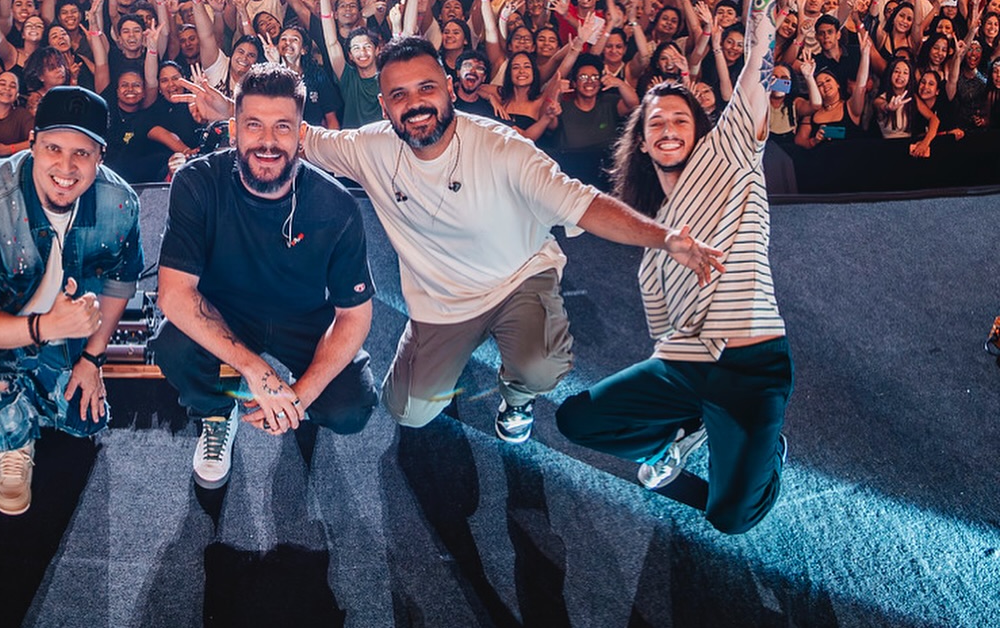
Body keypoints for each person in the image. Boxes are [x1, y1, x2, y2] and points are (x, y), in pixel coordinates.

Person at [179, 39, 722, 447]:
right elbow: (290, 131)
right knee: (405, 411)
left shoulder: (503, 148)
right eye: (398, 95)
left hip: (517, 281)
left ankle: (516, 398)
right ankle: (454, 356)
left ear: (448, 89)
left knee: (538, 364)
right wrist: (229, 110)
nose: (414, 104)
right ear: (385, 106)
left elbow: (586, 205)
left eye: (426, 89)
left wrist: (665, 237)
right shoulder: (370, 149)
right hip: (441, 303)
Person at [555, 0, 794, 535]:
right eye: (653, 119)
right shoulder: (649, 249)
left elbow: (758, 51)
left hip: (753, 366)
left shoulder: (735, 148)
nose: (665, 125)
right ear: (641, 139)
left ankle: (764, 450)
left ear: (699, 125)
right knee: (577, 417)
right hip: (686, 371)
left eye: (678, 116)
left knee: (731, 517)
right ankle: (684, 431)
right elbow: (667, 343)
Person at [0, 87, 142, 515]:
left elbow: (120, 282)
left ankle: (34, 386)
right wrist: (44, 329)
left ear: (101, 156)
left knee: (82, 421)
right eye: (53, 148)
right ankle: (11, 441)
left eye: (82, 153)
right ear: (33, 143)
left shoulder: (120, 203)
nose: (66, 167)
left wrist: (92, 360)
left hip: (58, 312)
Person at [155, 64, 377, 489]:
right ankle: (217, 414)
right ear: (234, 129)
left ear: (300, 134)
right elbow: (174, 296)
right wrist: (255, 370)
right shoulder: (196, 183)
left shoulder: (337, 206)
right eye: (254, 125)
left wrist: (302, 394)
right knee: (173, 344)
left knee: (351, 409)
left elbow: (354, 316)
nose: (269, 142)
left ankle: (293, 408)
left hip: (303, 317)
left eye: (283, 127)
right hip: (225, 310)